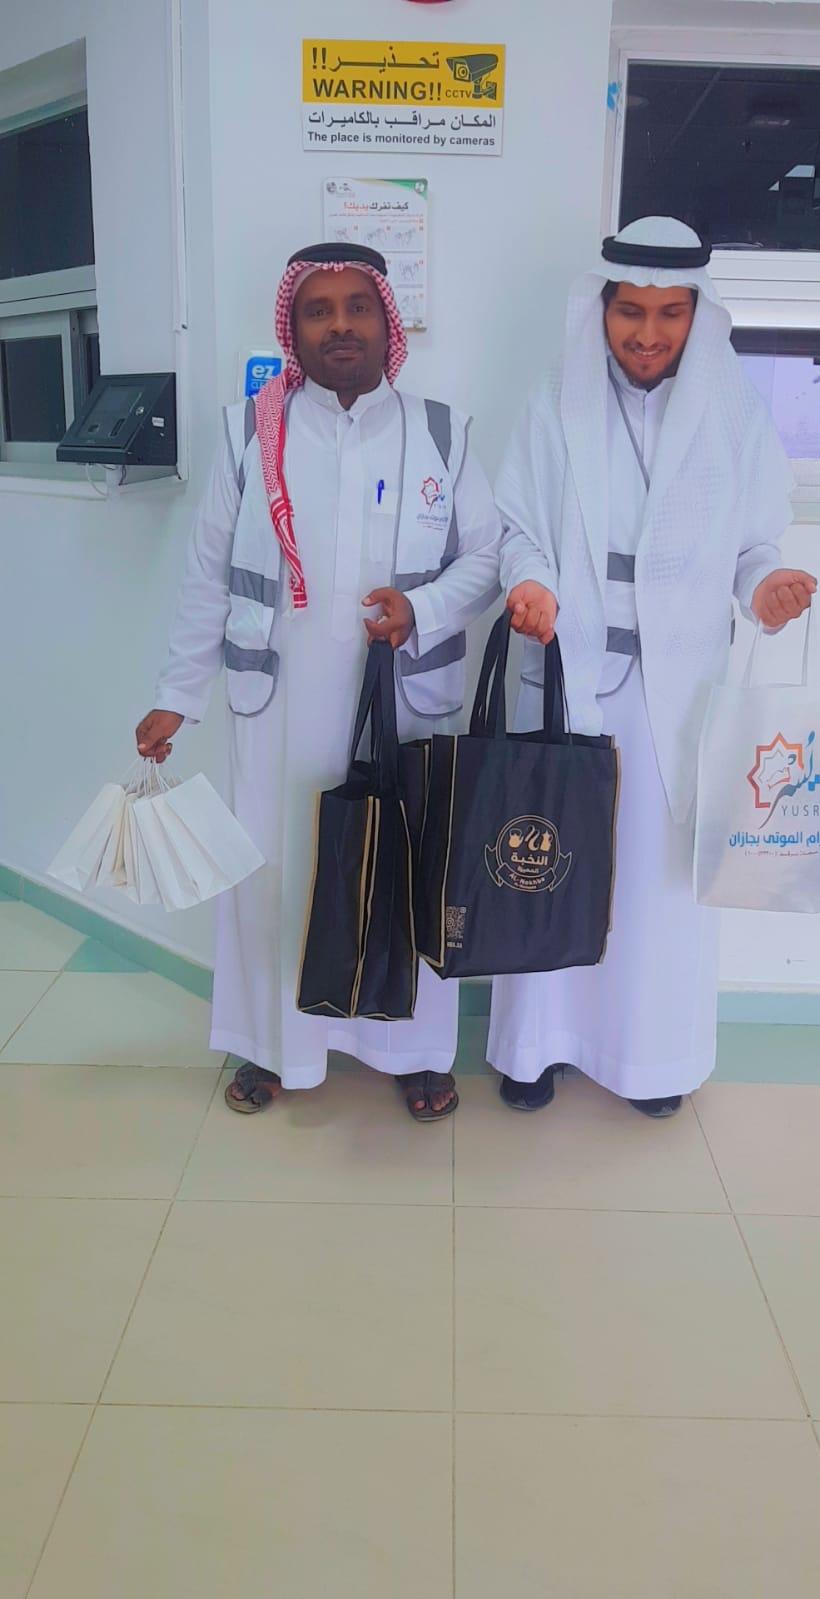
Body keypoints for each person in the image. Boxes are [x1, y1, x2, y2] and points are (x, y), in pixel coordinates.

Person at [136, 243, 501, 1121]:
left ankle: (411, 1051)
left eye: (356, 307)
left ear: (385, 321)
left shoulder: (441, 431)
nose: (340, 325)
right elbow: (208, 575)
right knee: (277, 874)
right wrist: (177, 695)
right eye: (318, 310)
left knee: (405, 868)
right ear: (293, 328)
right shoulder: (248, 432)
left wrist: (421, 608)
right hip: (278, 709)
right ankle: (274, 1046)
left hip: (403, 700)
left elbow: (487, 558)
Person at [488, 216, 816, 1117]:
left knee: (658, 888)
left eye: (670, 313)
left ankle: (652, 1060)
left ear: (696, 315)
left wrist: (766, 585)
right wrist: (529, 583)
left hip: (677, 696)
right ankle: (535, 1049)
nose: (647, 332)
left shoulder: (731, 407)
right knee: (547, 858)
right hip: (570, 675)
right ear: (599, 307)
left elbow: (753, 545)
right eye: (629, 310)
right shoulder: (555, 397)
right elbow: (517, 527)